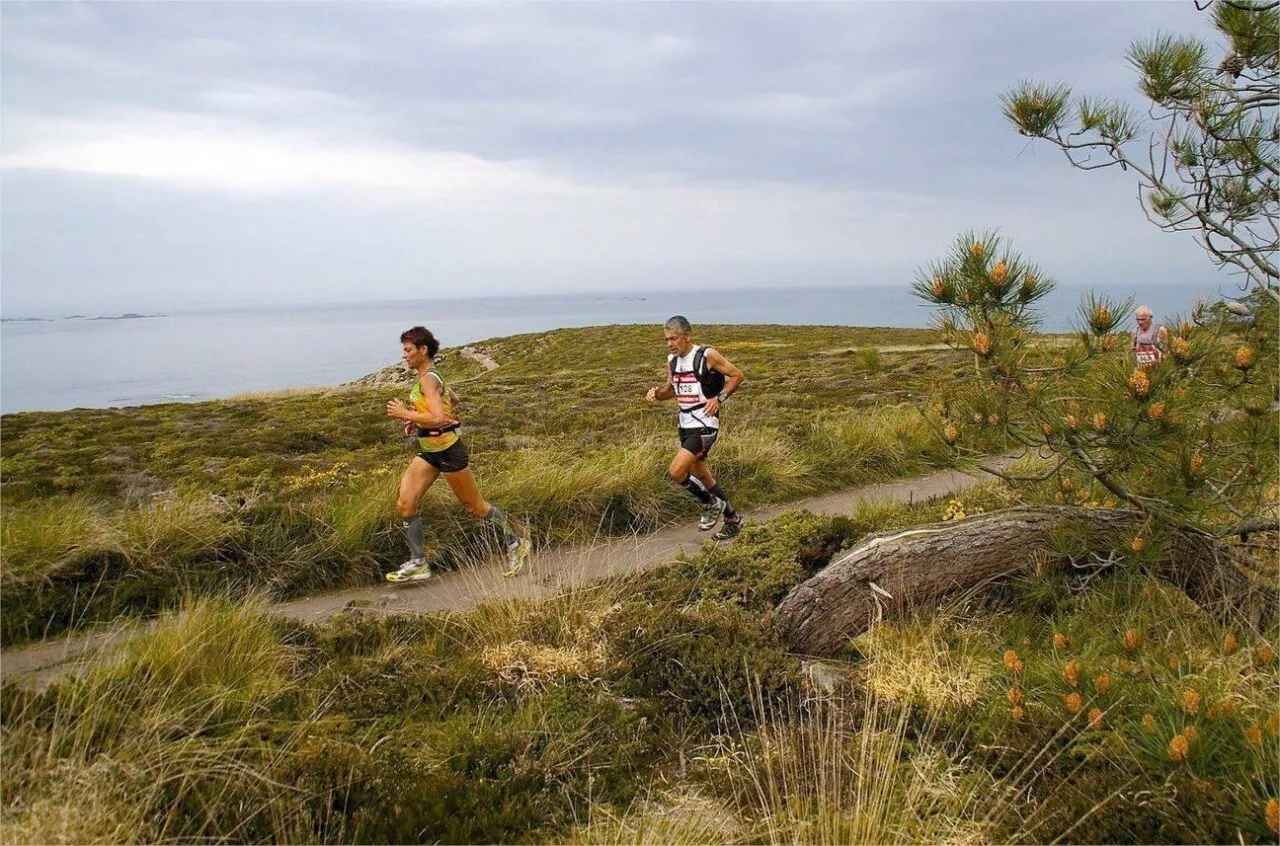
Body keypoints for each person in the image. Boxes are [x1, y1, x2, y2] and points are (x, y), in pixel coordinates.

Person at [384, 326, 530, 581]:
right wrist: (419, 421)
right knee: (405, 503)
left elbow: (439, 416)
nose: (404, 355)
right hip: (429, 452)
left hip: (450, 453)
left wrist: (405, 413)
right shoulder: (430, 378)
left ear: (423, 350)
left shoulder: (429, 379)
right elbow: (454, 401)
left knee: (476, 507)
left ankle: (516, 543)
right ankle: (419, 562)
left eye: (408, 350)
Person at [645, 315, 746, 540]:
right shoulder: (672, 360)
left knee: (677, 471)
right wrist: (657, 393)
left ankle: (710, 505)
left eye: (674, 338)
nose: (670, 343)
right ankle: (732, 520)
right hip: (685, 425)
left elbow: (737, 375)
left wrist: (718, 398)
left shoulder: (707, 355)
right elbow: (672, 390)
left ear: (687, 336)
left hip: (705, 424)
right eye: (667, 339)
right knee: (706, 478)